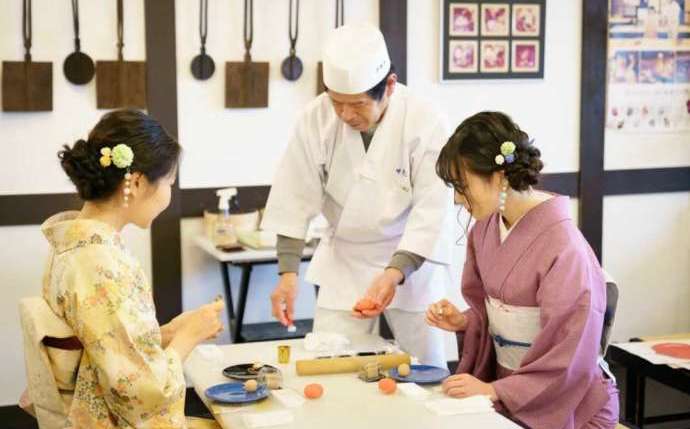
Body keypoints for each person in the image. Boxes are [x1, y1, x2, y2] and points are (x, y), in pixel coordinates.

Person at [261, 23, 453, 368]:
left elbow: (432, 210)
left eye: (358, 105)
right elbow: (293, 193)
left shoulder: (425, 121)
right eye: (337, 103)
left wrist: (394, 272)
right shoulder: (315, 119)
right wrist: (287, 273)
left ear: (389, 86)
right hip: (346, 261)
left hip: (411, 259)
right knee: (332, 363)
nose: (346, 115)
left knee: (426, 372)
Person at [425, 112, 619, 428]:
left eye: (463, 186)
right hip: (508, 396)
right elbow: (498, 315)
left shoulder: (564, 245)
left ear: (500, 176)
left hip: (570, 403)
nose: (458, 198)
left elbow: (571, 350)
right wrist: (466, 321)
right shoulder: (484, 230)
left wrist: (494, 390)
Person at [42, 110, 225, 428]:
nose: (169, 193)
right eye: (169, 182)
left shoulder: (79, 244)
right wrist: (188, 338)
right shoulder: (98, 265)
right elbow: (142, 390)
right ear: (137, 182)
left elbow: (107, 339)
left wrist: (168, 332)